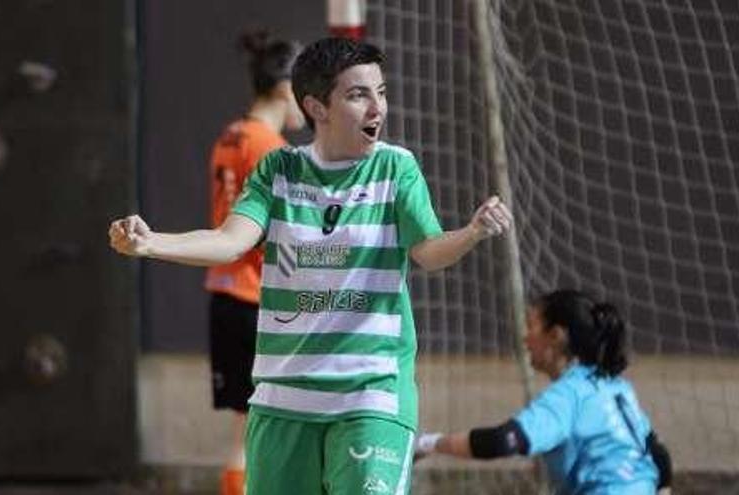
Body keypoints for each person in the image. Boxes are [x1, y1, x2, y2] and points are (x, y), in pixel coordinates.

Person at [109, 36, 512, 495]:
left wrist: (472, 232)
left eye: (381, 92)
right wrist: (151, 243)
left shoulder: (396, 169)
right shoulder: (277, 169)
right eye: (359, 95)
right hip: (285, 399)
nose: (377, 107)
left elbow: (428, 251)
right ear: (316, 107)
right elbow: (229, 240)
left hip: (370, 394)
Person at [414, 289, 673, 495]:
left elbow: (502, 441)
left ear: (556, 336)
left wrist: (430, 443)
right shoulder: (616, 388)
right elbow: (659, 456)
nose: (525, 339)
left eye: (531, 326)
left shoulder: (568, 395)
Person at [203, 30, 305, 495]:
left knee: (245, 433)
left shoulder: (230, 135)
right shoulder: (272, 149)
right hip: (258, 299)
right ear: (287, 89)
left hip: (225, 294)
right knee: (274, 431)